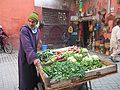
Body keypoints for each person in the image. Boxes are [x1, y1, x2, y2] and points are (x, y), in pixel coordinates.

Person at [18, 12, 43, 90]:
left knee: (32, 73)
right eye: (29, 21)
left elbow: (36, 39)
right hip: (25, 57)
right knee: (25, 76)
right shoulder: (24, 30)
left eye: (33, 22)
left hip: (32, 55)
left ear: (36, 22)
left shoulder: (36, 30)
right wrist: (34, 58)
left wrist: (39, 42)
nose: (31, 23)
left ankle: (33, 86)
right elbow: (27, 46)